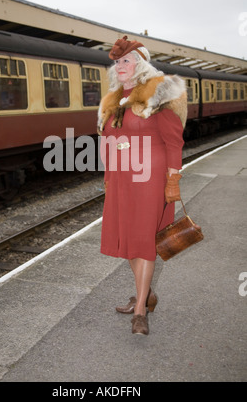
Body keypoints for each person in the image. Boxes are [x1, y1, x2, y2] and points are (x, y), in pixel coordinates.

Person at [98, 36, 187, 336]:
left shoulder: (157, 93)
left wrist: (172, 179)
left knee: (144, 241)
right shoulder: (113, 99)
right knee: (128, 240)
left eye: (127, 60)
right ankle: (146, 294)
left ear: (141, 64)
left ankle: (140, 313)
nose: (120, 65)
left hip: (150, 177)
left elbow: (174, 140)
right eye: (117, 62)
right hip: (122, 178)